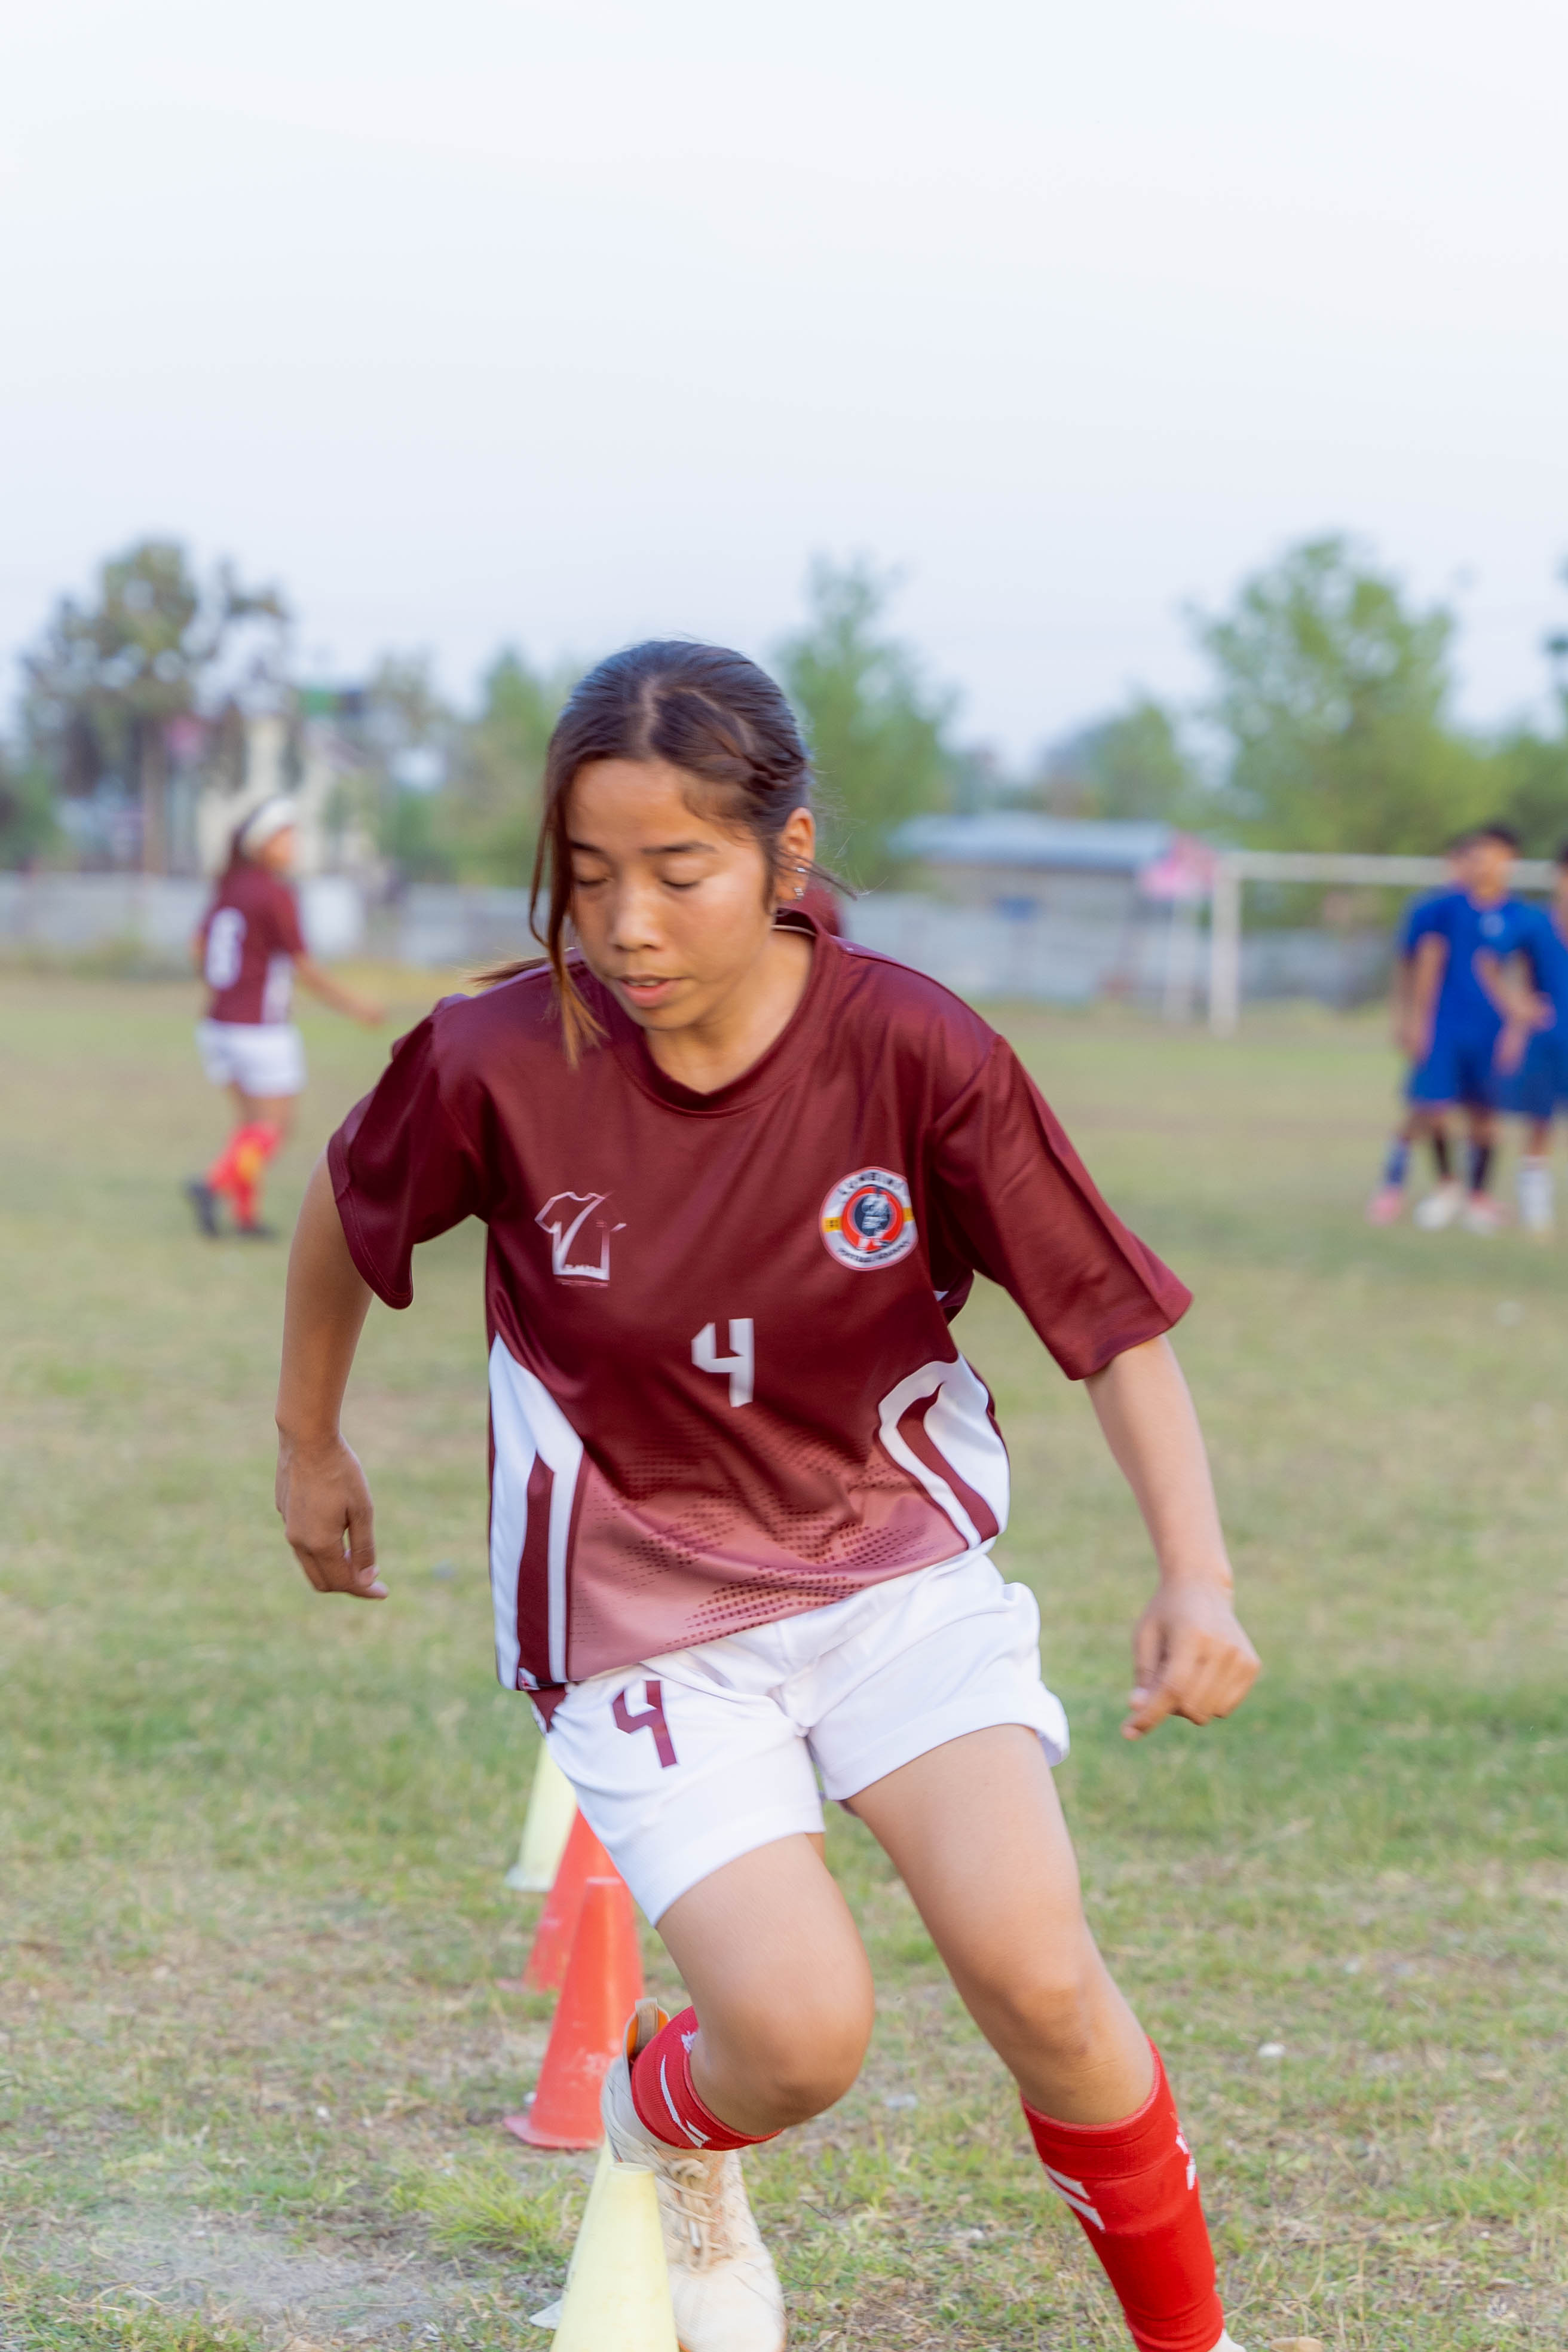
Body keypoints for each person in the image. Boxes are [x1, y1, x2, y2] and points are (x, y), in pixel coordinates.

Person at [274, 643, 1260, 2352]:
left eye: (680, 872)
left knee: (1042, 1979)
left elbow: (1110, 1326)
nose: (627, 926)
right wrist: (309, 1443)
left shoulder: (919, 1051)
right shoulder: (496, 1061)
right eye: (588, 880)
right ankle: (666, 2121)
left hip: (894, 1579)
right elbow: (343, 1220)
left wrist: (1201, 1573)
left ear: (788, 859)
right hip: (638, 1618)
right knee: (804, 2043)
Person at [186, 799, 382, 1239]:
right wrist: (357, 1006)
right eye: (284, 836)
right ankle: (211, 1184)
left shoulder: (230, 887)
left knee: (250, 1128)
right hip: (260, 1028)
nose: (293, 844)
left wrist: (225, 987)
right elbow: (304, 966)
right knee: (275, 1128)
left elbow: (196, 948)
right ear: (261, 844)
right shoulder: (275, 893)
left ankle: (244, 1216)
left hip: (216, 1025)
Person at [1367, 823, 1536, 1235]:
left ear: (1510, 860)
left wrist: (1520, 1026)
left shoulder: (1522, 916)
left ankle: (1477, 1197)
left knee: (1486, 1115)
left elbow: (1526, 975)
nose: (1482, 864)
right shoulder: (1442, 909)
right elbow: (1421, 965)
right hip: (1445, 1025)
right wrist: (1413, 1021)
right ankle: (1442, 1185)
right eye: (1475, 856)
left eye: (1491, 855)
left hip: (1491, 1031)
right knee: (1430, 1108)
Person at [1365, 838, 1465, 1226]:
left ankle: (1467, 1192)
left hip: (1475, 1029)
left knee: (1477, 1114)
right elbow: (1408, 966)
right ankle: (1399, 1183)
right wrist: (1406, 1018)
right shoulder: (1430, 911)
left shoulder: (1494, 912)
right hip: (1435, 1026)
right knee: (1426, 1107)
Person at [1505, 843, 1568, 1236]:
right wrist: (1517, 1007)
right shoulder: (1536, 924)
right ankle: (1535, 1199)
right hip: (1549, 1039)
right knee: (1540, 1123)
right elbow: (1491, 962)